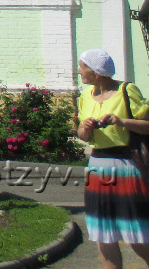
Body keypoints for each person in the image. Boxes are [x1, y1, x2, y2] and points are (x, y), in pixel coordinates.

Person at [76, 48, 149, 268]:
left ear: (96, 72)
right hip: (97, 166)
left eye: (82, 66)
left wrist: (121, 121)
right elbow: (82, 135)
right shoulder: (85, 97)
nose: (79, 71)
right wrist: (86, 128)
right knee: (104, 237)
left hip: (127, 165)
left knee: (136, 236)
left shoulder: (127, 91)